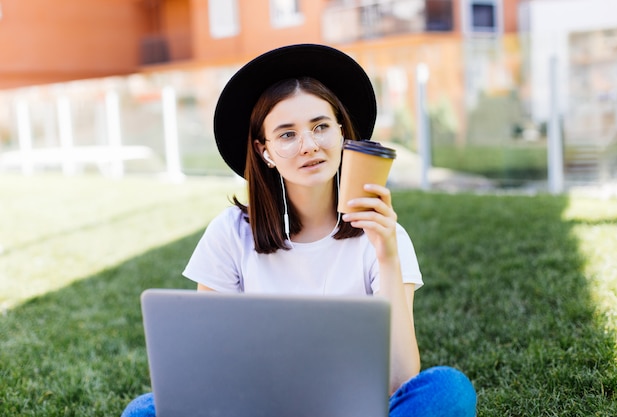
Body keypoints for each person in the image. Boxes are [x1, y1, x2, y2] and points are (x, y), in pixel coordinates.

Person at [121, 44, 476, 417]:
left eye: (321, 126)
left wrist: (387, 256)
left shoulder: (386, 236)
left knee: (448, 389)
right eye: (287, 135)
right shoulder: (230, 233)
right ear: (265, 151)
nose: (309, 146)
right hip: (259, 408)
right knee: (143, 410)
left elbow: (401, 380)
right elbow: (208, 367)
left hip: (352, 410)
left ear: (342, 133)